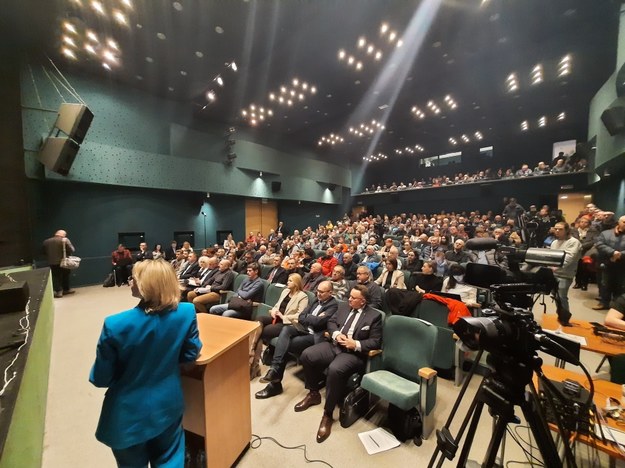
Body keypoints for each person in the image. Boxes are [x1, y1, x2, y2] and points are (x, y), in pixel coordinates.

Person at [89, 259, 202, 467]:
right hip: (168, 403)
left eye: (134, 278)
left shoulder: (115, 324)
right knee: (170, 460)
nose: (130, 281)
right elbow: (190, 354)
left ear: (145, 285)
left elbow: (100, 378)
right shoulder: (186, 312)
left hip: (128, 415)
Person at [295, 285, 383, 443]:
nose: (349, 299)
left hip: (353, 353)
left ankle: (327, 414)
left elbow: (375, 341)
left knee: (335, 370)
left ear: (363, 301)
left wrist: (355, 343)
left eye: (353, 298)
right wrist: (336, 334)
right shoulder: (343, 307)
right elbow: (331, 322)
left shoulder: (374, 316)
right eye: (349, 296)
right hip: (334, 344)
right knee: (307, 355)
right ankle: (314, 393)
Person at [255, 281, 338, 399]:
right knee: (286, 330)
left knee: (286, 344)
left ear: (330, 292)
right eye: (317, 291)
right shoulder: (315, 300)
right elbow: (301, 317)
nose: (318, 294)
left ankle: (275, 382)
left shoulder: (333, 305)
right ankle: (275, 368)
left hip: (314, 335)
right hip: (303, 328)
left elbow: (319, 322)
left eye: (322, 292)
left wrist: (309, 318)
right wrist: (312, 318)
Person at [549, 222, 582, 324]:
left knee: (562, 296)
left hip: (565, 274)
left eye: (560, 229)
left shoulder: (573, 242)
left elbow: (569, 258)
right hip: (553, 273)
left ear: (567, 230)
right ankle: (561, 314)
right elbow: (550, 256)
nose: (557, 231)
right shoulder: (554, 242)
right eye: (556, 229)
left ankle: (565, 318)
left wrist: (556, 266)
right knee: (555, 296)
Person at [594, 215, 625, 311]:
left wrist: (620, 254)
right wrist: (612, 252)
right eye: (624, 222)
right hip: (607, 262)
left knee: (621, 285)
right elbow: (599, 244)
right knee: (604, 284)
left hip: (623, 264)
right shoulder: (606, 233)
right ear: (619, 222)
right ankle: (604, 303)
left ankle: (617, 307)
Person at [43, 229, 76, 298]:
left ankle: (59, 291)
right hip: (64, 262)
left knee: (55, 276)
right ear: (63, 235)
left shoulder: (46, 241)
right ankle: (66, 289)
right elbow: (72, 249)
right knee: (65, 275)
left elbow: (43, 252)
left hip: (52, 262)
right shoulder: (64, 240)